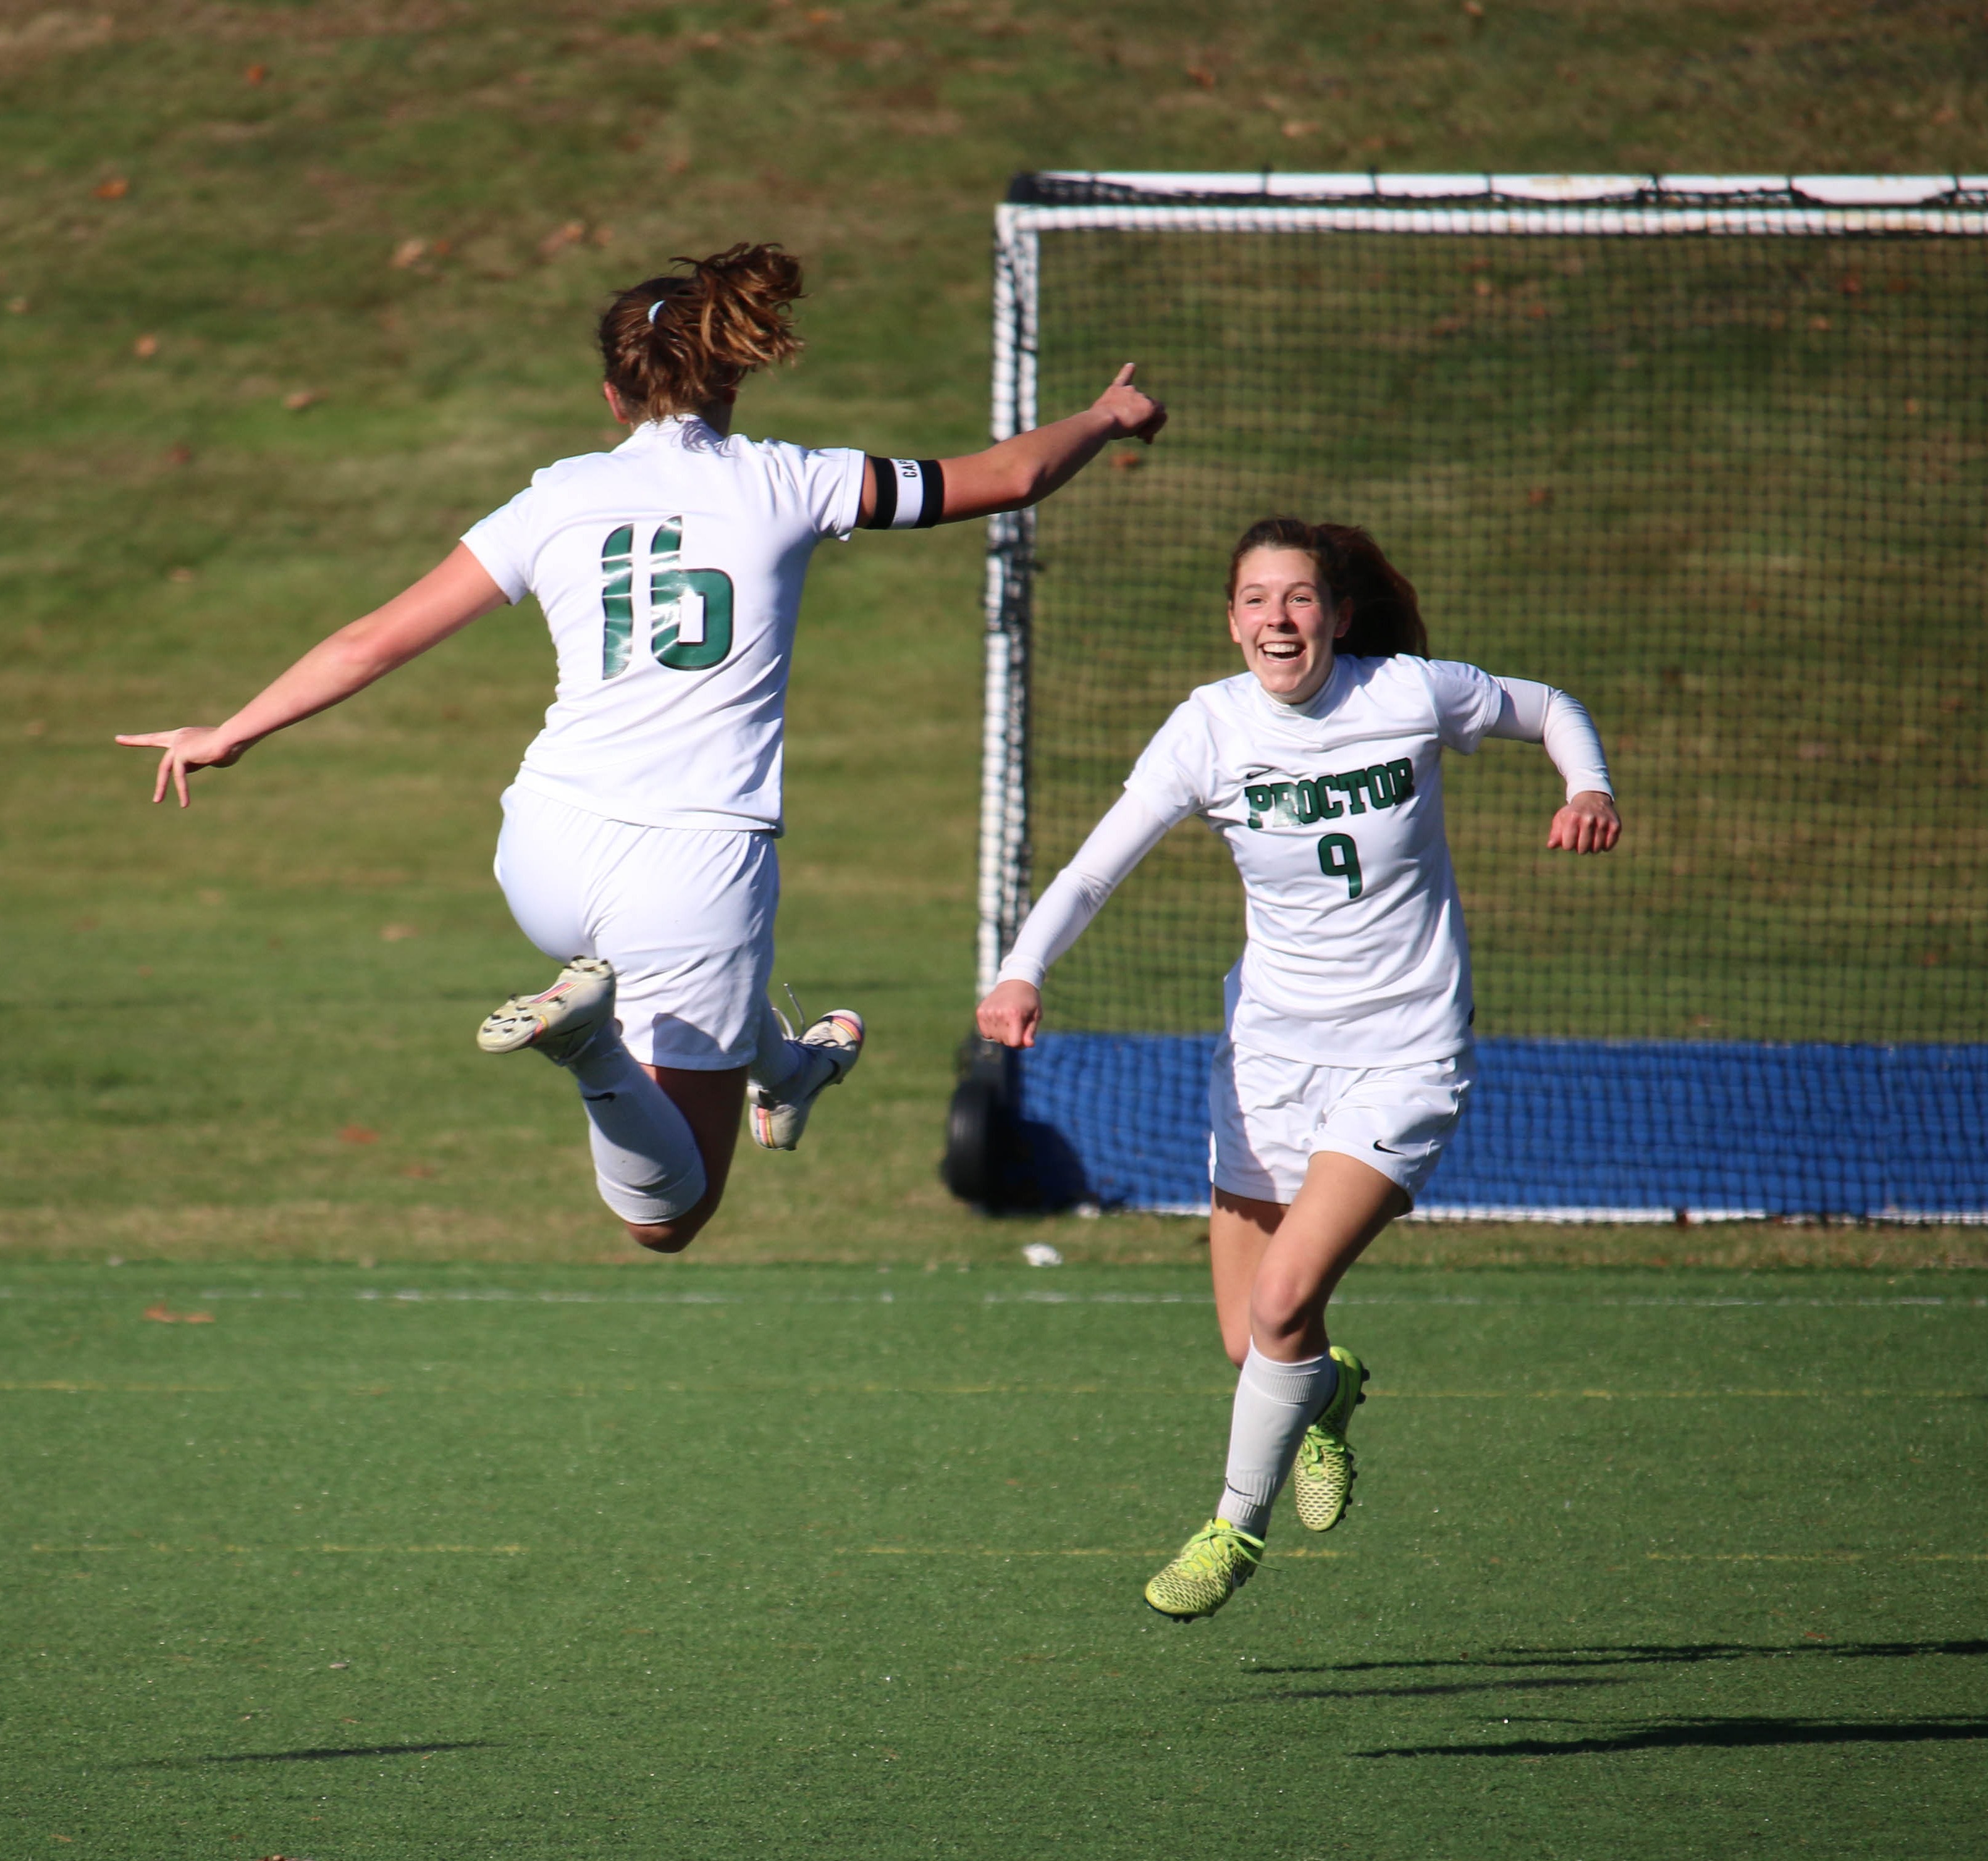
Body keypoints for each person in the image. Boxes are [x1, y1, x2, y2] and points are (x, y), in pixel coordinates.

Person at [120, 243, 1167, 1253]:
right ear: (732, 383)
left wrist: (232, 732)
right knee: (668, 1218)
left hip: (542, 846)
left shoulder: (555, 497)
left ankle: (786, 1068)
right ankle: (585, 1048)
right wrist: (1105, 415)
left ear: (615, 399)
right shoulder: (791, 480)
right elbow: (1011, 476)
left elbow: (369, 641)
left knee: (702, 990)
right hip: (691, 867)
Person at [974, 517, 1622, 1619]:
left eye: (1301, 598)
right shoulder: (1208, 729)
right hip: (1269, 1057)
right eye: (1257, 601)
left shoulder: (1409, 693)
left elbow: (1550, 706)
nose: (1280, 620)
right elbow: (1091, 873)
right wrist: (1023, 970)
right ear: (1232, 621)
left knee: (1281, 1303)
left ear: (1338, 614)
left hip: (1404, 1051)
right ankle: (1332, 1392)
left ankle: (1232, 1528)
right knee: (1254, 1341)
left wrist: (1590, 787)